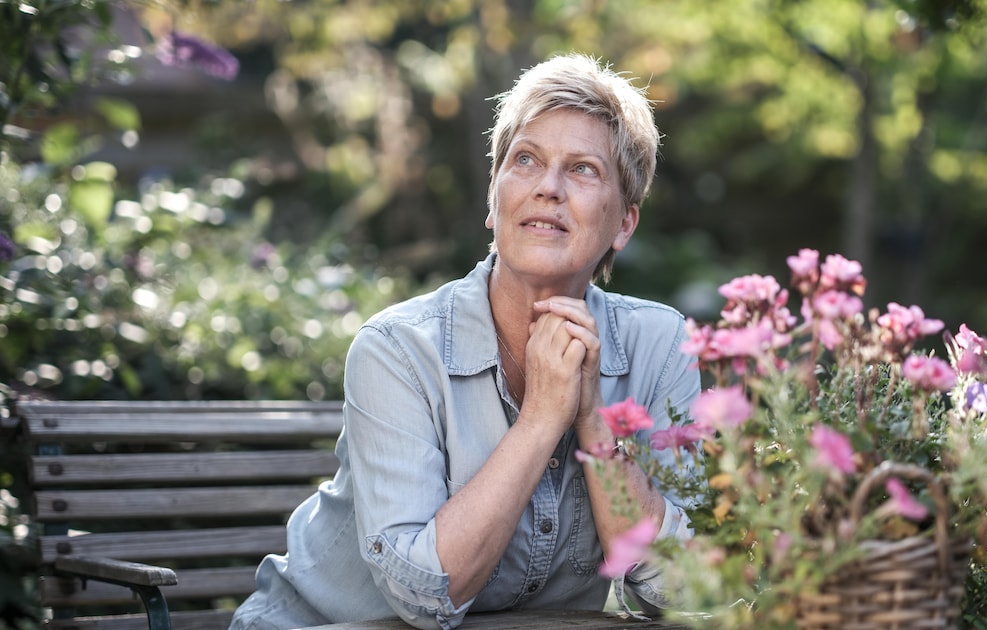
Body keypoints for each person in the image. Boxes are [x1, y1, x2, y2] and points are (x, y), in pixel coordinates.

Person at [230, 53, 701, 630]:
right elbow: (425, 596)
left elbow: (687, 587)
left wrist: (594, 425)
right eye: (525, 160)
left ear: (624, 224)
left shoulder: (661, 346)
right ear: (493, 199)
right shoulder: (397, 350)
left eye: (582, 169)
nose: (548, 188)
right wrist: (543, 417)